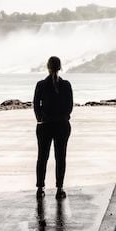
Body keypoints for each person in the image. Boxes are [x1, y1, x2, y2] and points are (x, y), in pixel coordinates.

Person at [33, 56, 73, 199]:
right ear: (60, 67)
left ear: (48, 67)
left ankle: (40, 188)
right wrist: (63, 117)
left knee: (42, 157)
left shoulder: (41, 84)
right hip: (62, 125)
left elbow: (36, 105)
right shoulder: (66, 85)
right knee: (60, 157)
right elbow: (69, 106)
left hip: (45, 126)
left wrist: (41, 118)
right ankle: (59, 188)